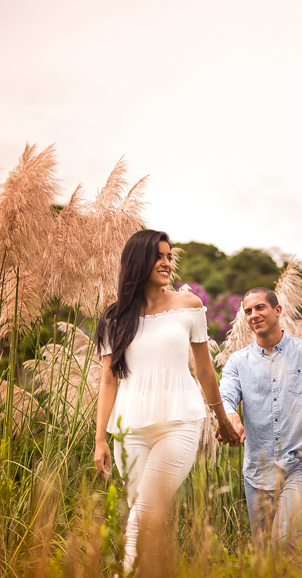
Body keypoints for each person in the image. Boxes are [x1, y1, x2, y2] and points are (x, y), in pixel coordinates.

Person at [93, 230, 240, 573]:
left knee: (144, 510)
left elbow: (205, 371)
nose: (166, 262)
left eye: (169, 256)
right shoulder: (114, 318)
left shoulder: (188, 306)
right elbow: (108, 380)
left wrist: (221, 420)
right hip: (129, 428)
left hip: (179, 422)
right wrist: (100, 438)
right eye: (159, 256)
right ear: (138, 261)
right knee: (143, 515)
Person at [218, 287, 302, 552]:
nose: (253, 315)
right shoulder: (237, 362)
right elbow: (226, 396)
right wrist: (230, 417)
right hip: (257, 473)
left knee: (283, 544)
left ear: (277, 310)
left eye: (260, 307)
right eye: (248, 311)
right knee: (265, 556)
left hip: (300, 466)